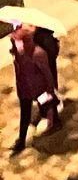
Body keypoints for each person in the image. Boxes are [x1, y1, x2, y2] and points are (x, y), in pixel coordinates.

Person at [9, 27, 58, 156]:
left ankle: (54, 120)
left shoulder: (38, 53)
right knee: (25, 115)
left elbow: (48, 75)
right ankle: (21, 140)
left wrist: (50, 91)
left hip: (38, 89)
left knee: (47, 106)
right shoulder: (19, 53)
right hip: (25, 89)